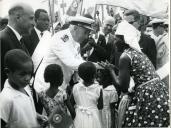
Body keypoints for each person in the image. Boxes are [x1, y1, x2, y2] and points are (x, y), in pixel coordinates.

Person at [104, 20, 169, 127]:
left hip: (148, 96)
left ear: (124, 39)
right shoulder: (137, 53)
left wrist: (110, 71)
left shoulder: (125, 56)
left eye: (116, 39)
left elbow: (123, 87)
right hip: (158, 94)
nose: (114, 42)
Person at [34, 15, 94, 93]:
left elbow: (79, 62)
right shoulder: (60, 38)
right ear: (75, 28)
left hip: (60, 86)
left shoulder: (76, 43)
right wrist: (95, 66)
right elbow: (71, 62)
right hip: (47, 86)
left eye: (88, 34)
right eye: (85, 32)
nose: (86, 37)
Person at [0, 49, 48, 128]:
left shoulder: (25, 86)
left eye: (30, 73)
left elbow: (25, 109)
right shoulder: (5, 99)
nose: (28, 78)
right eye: (22, 74)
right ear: (7, 72)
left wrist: (37, 116)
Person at [0, 3, 35, 90]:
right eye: (31, 18)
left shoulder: (20, 39)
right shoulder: (2, 40)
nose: (34, 23)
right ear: (18, 17)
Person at [70, 62, 103, 128]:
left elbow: (71, 103)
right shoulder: (98, 88)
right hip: (93, 117)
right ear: (94, 75)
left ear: (79, 75)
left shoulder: (75, 87)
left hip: (78, 116)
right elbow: (100, 106)